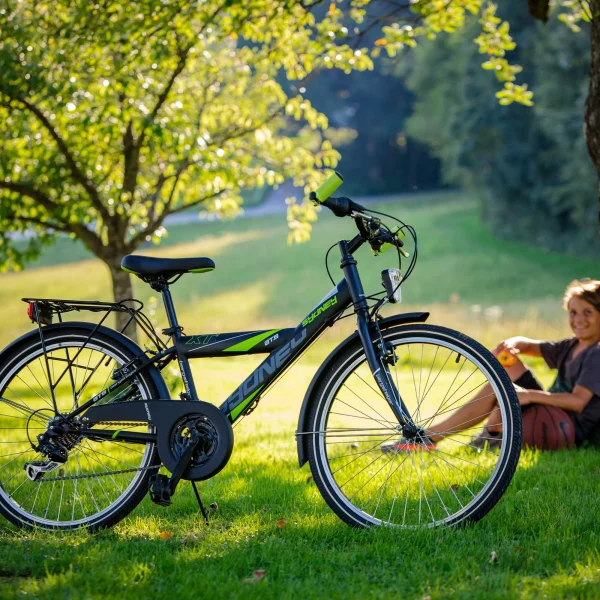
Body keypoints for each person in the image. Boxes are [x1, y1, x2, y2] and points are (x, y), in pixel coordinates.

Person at [382, 279, 600, 453]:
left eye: (587, 312)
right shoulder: (572, 345)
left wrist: (530, 395)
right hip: (553, 412)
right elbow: (526, 345)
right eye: (573, 312)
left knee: (500, 389)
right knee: (505, 370)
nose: (578, 319)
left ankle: (432, 437)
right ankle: (488, 436)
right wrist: (510, 345)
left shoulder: (596, 352)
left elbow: (578, 402)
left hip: (568, 427)